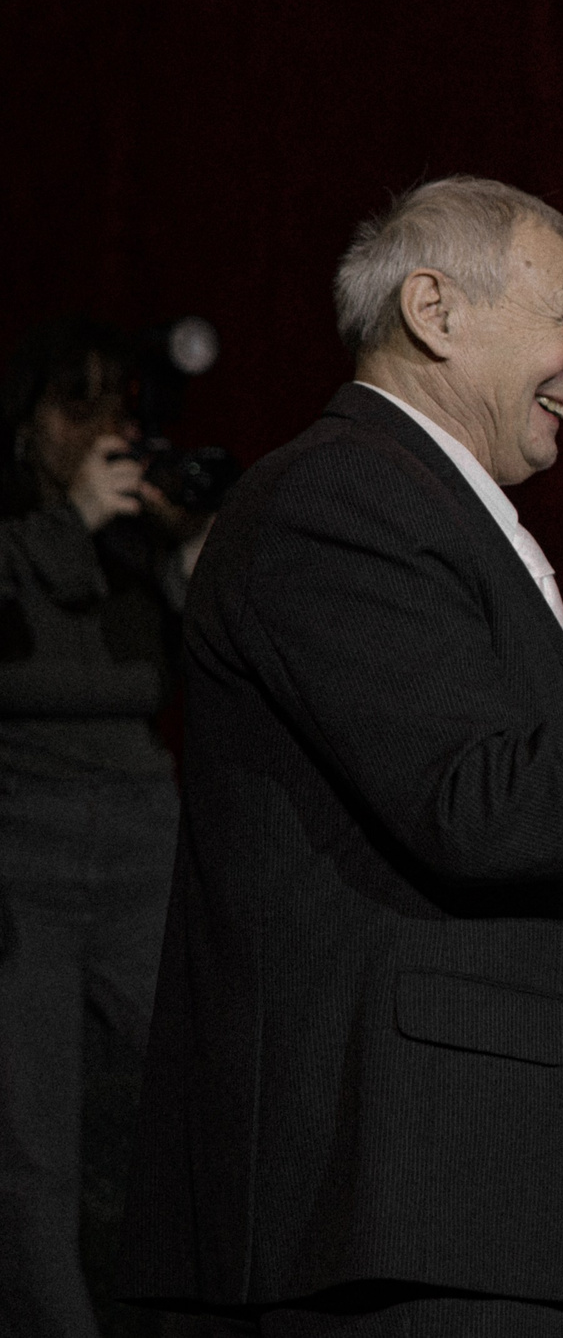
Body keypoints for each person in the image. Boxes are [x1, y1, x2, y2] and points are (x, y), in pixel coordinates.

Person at [117, 177, 563, 1337]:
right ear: (435, 309)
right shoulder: (338, 495)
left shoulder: (423, 497)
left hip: (485, 1194)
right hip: (400, 1201)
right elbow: (481, 802)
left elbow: (500, 777)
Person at [0, 319, 208, 1338]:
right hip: (20, 841)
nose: (100, 434)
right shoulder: (22, 531)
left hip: (142, 829)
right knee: (31, 1141)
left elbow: (198, 662)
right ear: (27, 420)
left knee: (200, 1083)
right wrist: (67, 523)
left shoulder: (130, 532)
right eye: (74, 408)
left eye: (113, 410)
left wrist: (191, 541)